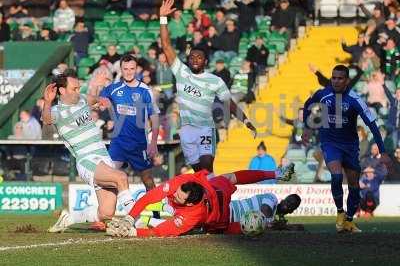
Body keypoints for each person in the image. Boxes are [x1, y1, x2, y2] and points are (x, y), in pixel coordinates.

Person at [158, 0, 257, 172]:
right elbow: (166, 45)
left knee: (206, 165)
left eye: (199, 57)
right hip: (186, 130)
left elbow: (229, 103)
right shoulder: (181, 72)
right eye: (192, 57)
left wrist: (246, 120)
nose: (195, 59)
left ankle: (213, 197)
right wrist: (163, 19)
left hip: (205, 128)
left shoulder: (215, 80)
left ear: (205, 61)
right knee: (199, 172)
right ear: (188, 60)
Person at [42, 69, 135, 233]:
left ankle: (70, 218)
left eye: (79, 88)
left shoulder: (82, 100)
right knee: (121, 177)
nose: (78, 92)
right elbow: (47, 119)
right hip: (87, 160)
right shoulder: (57, 111)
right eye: (74, 89)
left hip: (104, 158)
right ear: (62, 91)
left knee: (106, 213)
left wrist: (99, 93)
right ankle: (137, 220)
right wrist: (47, 102)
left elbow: (93, 99)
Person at [303, 64, 390, 233]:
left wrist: (383, 151)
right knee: (336, 176)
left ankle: (349, 220)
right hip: (330, 142)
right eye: (333, 78)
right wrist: (306, 127)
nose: (335, 81)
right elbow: (308, 103)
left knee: (354, 186)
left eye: (340, 78)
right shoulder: (323, 94)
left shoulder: (355, 100)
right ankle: (340, 212)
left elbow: (372, 125)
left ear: (347, 81)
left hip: (350, 146)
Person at [106, 166, 295, 237]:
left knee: (258, 218)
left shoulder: (193, 214)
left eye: (179, 197)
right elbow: (240, 176)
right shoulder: (185, 182)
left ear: (189, 204)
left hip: (228, 221)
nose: (175, 194)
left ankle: (268, 221)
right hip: (232, 209)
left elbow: (162, 231)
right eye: (177, 192)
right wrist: (274, 174)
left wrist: (133, 232)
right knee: (268, 197)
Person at [99, 54, 160, 215]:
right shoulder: (114, 88)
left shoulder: (145, 90)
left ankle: (156, 215)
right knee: (109, 178)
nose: (129, 72)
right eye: (125, 69)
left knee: (148, 180)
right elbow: (102, 97)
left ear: (136, 69)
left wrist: (153, 143)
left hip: (139, 144)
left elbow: (154, 117)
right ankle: (105, 214)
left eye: (132, 69)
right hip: (118, 143)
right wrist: (103, 102)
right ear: (121, 69)